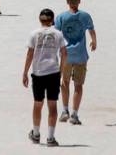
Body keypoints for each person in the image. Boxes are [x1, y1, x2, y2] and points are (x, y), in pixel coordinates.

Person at [23, 8, 66, 147]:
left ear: (40, 19)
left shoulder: (34, 34)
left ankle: (36, 134)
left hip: (38, 73)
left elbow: (30, 54)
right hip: (53, 72)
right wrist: (61, 70)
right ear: (52, 20)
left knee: (38, 103)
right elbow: (64, 53)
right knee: (52, 105)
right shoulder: (58, 34)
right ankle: (51, 137)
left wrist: (25, 72)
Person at [54, 0, 96, 125]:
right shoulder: (85, 16)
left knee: (64, 82)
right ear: (79, 1)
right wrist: (94, 41)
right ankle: (74, 114)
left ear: (67, 2)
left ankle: (65, 110)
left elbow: (56, 34)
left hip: (66, 55)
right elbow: (91, 29)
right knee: (78, 85)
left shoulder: (61, 17)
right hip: (80, 55)